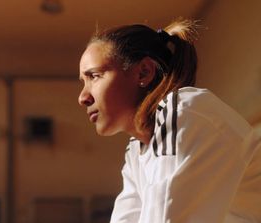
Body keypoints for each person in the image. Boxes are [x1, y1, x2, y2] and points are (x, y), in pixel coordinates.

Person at [78, 18, 261, 222]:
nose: (82, 97)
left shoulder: (184, 111)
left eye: (94, 76)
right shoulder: (138, 149)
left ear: (144, 72)